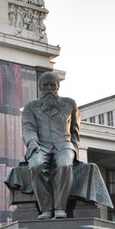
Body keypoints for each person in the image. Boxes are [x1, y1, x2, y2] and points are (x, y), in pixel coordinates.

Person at [21, 71, 80, 220]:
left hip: (64, 145)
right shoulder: (30, 107)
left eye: (52, 85)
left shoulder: (70, 104)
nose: (49, 89)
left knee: (65, 164)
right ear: (40, 87)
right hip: (41, 145)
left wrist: (74, 149)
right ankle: (46, 209)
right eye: (45, 86)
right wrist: (32, 142)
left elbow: (75, 130)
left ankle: (60, 208)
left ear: (58, 86)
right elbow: (28, 128)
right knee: (35, 165)